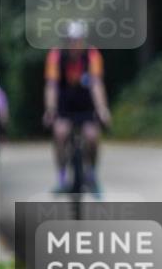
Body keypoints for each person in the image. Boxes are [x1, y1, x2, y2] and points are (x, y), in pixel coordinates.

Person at [43, 20, 112, 194]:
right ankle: (62, 176)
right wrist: (50, 109)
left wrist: (102, 108)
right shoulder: (55, 56)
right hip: (64, 105)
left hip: (86, 105)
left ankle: (92, 175)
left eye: (78, 40)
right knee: (60, 134)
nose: (74, 44)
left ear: (83, 40)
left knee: (92, 137)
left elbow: (96, 83)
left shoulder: (92, 55)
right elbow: (51, 85)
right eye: (71, 40)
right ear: (65, 41)